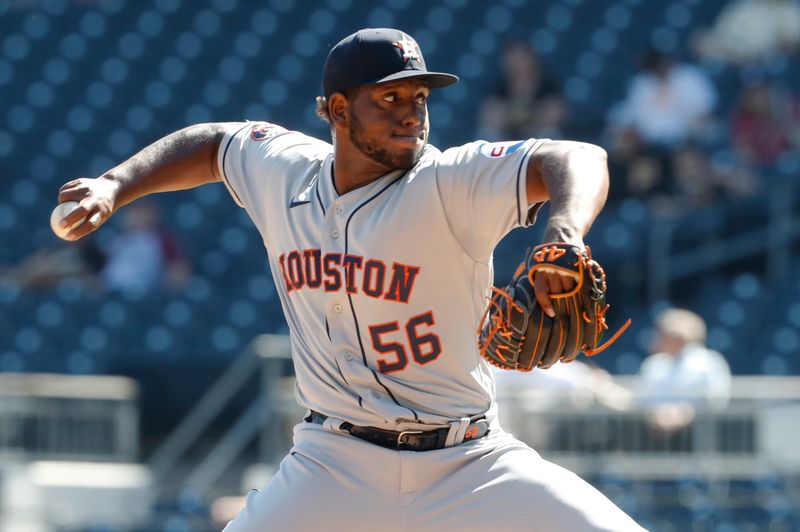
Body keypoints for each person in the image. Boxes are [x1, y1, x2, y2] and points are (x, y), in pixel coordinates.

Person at [56, 28, 643, 531]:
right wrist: (115, 184)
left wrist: (563, 233)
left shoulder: (448, 183)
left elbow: (578, 156)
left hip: (469, 463)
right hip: (332, 463)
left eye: (418, 97)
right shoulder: (283, 171)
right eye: (389, 98)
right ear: (338, 111)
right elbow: (214, 143)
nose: (411, 112)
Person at [636, 308, 732, 432]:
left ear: (678, 337)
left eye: (662, 334)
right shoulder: (654, 364)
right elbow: (640, 400)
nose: (656, 339)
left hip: (698, 436)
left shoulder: (709, 362)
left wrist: (683, 413)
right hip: (652, 434)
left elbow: (716, 400)